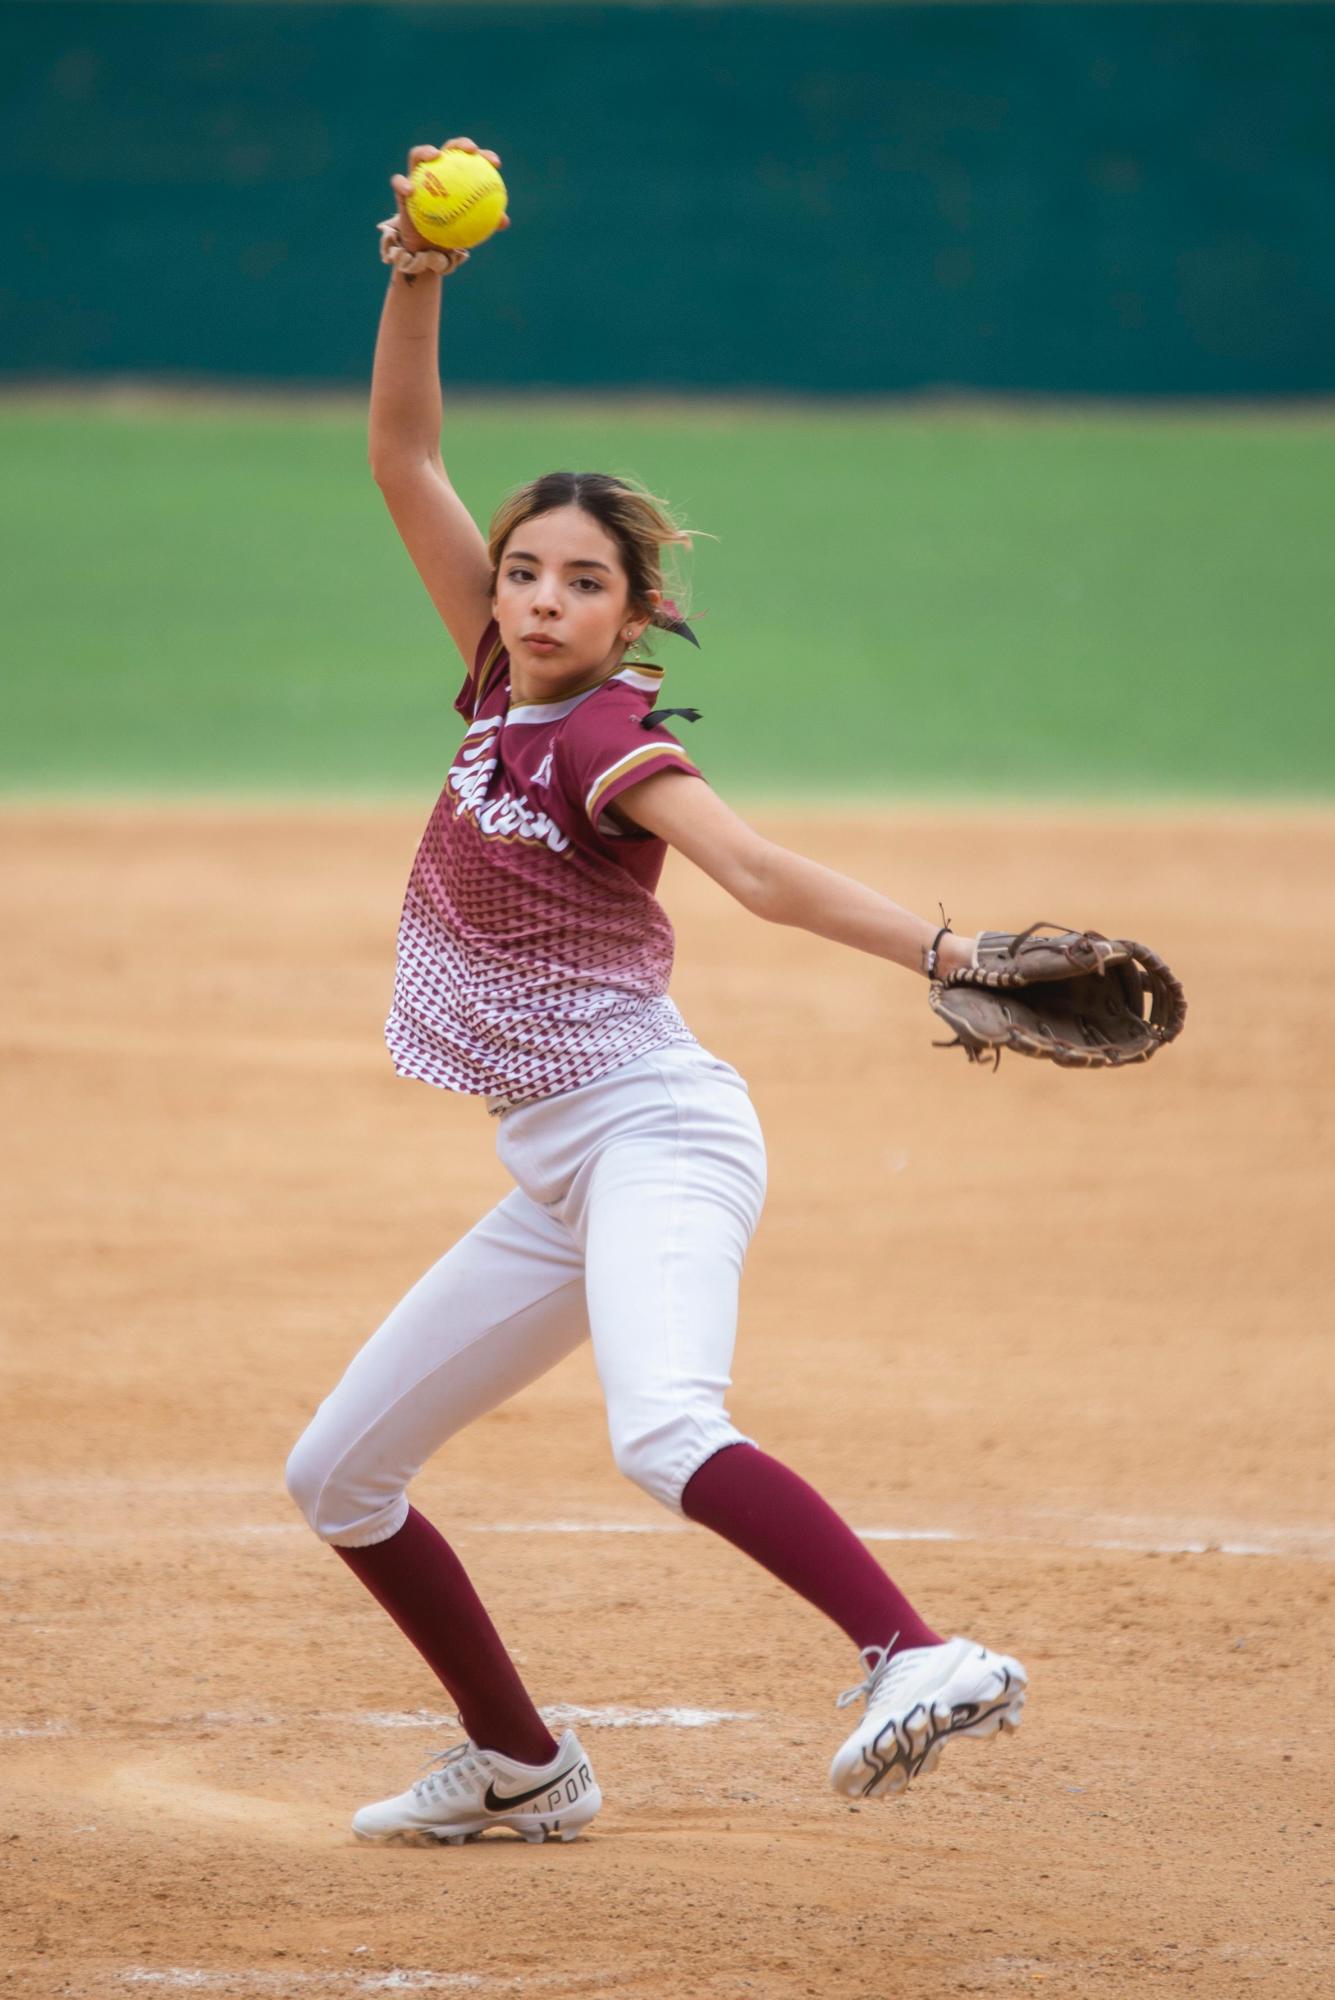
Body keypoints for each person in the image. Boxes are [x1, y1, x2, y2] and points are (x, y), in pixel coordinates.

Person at [284, 138, 1027, 1847]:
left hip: (657, 1134)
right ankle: (525, 1767)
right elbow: (403, 455)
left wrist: (951, 955)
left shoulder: (612, 737)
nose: (540, 596)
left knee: (665, 1430)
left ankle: (917, 1651)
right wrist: (416, 277)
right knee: (339, 1476)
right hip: (555, 1167)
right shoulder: (494, 680)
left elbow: (757, 877)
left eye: (581, 581)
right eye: (526, 570)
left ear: (635, 617)